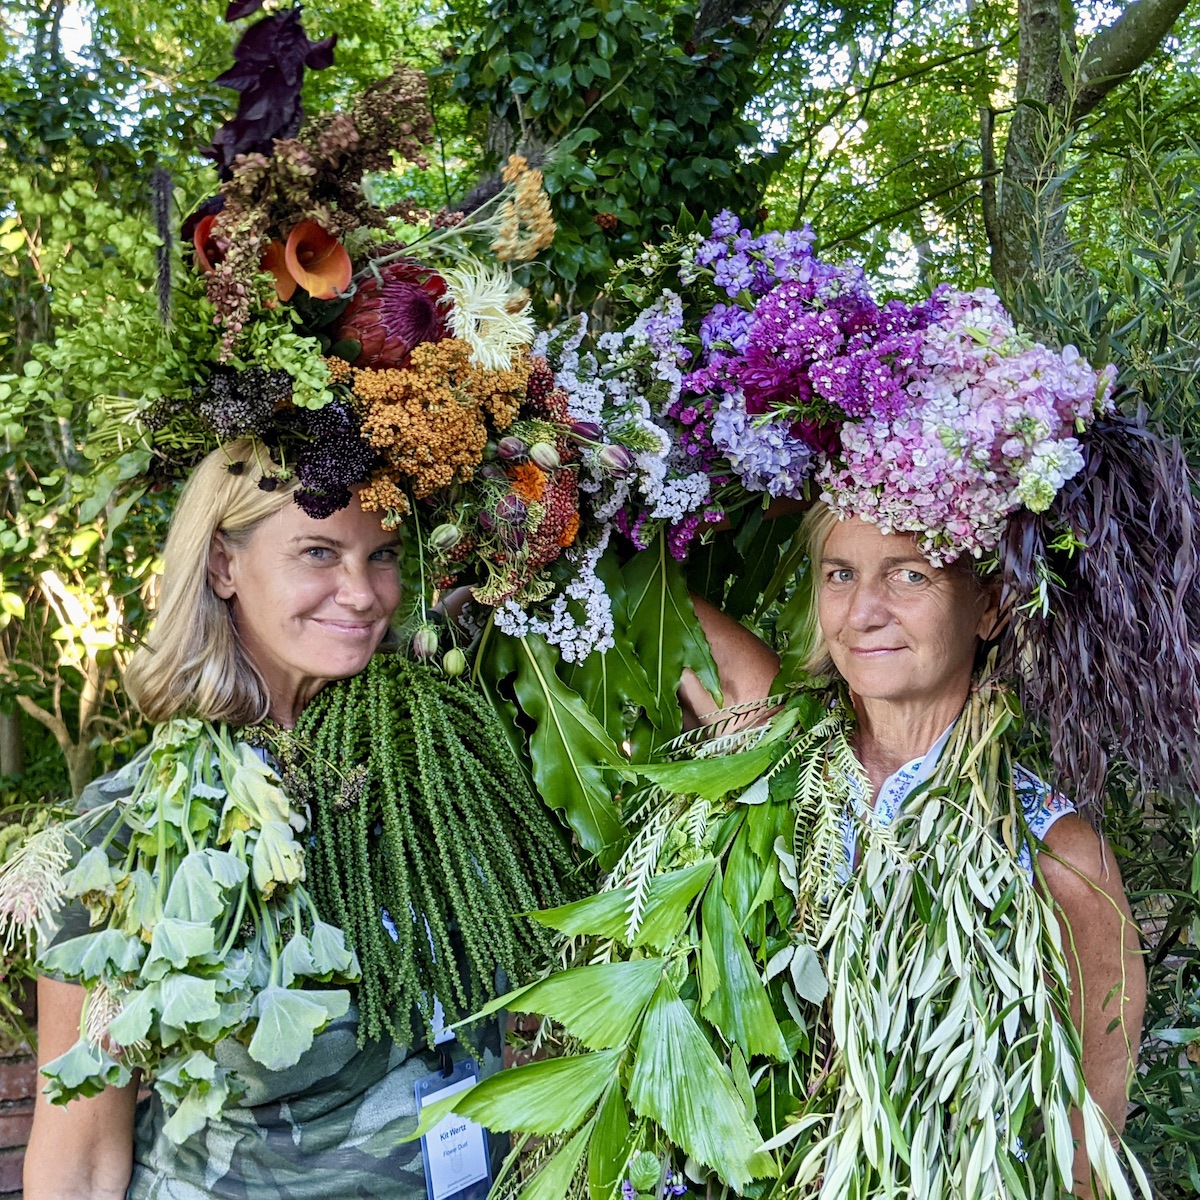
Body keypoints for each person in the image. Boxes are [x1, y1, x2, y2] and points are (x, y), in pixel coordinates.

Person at [20, 448, 554, 1199]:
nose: (363, 594)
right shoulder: (131, 832)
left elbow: (742, 702)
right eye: (318, 552)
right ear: (221, 567)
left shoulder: (438, 754)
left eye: (384, 555)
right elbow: (79, 1158)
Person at [798, 500, 1145, 1195]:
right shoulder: (775, 771)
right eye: (840, 574)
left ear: (989, 607)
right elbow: (666, 614)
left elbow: (1085, 1147)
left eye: (909, 577)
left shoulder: (1057, 856)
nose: (862, 612)